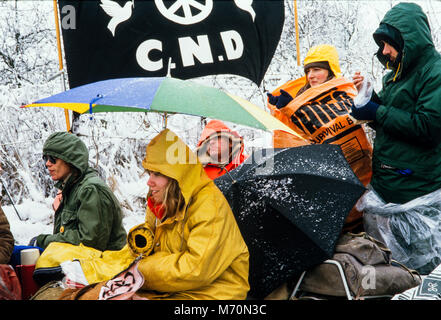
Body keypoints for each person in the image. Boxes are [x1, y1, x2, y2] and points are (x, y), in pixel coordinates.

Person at [267, 44, 373, 232]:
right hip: (329, 187)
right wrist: (285, 113)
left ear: (330, 70)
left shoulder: (346, 91)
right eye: (308, 71)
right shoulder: (297, 101)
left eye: (317, 69)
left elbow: (369, 118)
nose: (311, 76)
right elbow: (293, 144)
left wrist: (365, 91)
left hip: (363, 179)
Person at [137, 129, 250, 299]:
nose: (149, 181)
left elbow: (196, 269)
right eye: (150, 173)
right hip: (173, 286)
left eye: (157, 174)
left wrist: (140, 272)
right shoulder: (160, 201)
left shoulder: (209, 205)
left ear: (176, 176)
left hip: (216, 292)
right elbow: (148, 243)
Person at [350, 2, 441, 204]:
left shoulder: (435, 72)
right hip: (388, 183)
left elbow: (429, 128)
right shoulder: (396, 75)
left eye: (387, 43)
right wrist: (368, 100)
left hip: (415, 190)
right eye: (381, 45)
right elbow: (390, 119)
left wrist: (377, 111)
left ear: (405, 40)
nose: (383, 51)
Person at [30, 132, 127, 252]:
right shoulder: (72, 187)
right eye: (45, 158)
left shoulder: (91, 190)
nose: (47, 163)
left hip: (106, 267)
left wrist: (43, 241)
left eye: (52, 158)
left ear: (70, 159)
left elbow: (89, 242)